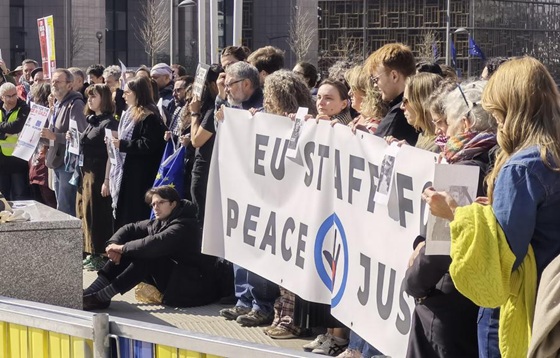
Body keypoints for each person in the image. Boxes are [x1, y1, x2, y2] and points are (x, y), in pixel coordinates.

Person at [424, 56, 560, 358]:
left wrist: (456, 214)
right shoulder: (552, 155)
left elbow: (500, 263)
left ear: (512, 108)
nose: (495, 119)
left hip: (520, 308)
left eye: (497, 112)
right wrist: (492, 211)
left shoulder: (522, 167)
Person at [404, 80, 497, 358]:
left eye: (448, 122)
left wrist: (413, 283)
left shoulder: (465, 169)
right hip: (474, 300)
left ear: (466, 124)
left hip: (446, 301)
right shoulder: (497, 159)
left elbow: (441, 246)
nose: (441, 130)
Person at [83, 186, 218, 310]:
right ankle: (92, 292)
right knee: (130, 251)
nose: (156, 207)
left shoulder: (184, 226)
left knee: (147, 255)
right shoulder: (161, 222)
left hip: (193, 287)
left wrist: (121, 248)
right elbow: (130, 228)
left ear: (173, 204)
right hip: (176, 280)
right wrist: (112, 245)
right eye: (153, 204)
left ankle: (101, 297)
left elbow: (154, 244)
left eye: (160, 203)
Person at [260, 70, 316, 339]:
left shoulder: (306, 122)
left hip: (298, 201)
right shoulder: (274, 122)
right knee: (280, 262)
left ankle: (292, 319)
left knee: (292, 263)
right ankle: (281, 313)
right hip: (279, 198)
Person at [108, 76, 166, 231]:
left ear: (137, 94)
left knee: (135, 215)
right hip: (128, 171)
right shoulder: (129, 113)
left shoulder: (149, 116)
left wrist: (123, 144)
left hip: (141, 175)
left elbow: (149, 144)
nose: (123, 96)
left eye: (127, 92)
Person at [75, 84, 118, 271]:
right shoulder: (92, 120)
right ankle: (89, 250)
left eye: (94, 96)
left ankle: (99, 252)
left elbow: (112, 154)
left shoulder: (109, 122)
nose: (90, 100)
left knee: (97, 213)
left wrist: (107, 180)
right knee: (84, 211)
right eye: (88, 97)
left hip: (99, 172)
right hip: (85, 171)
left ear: (104, 98)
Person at [40, 69, 87, 216]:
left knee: (66, 206)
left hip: (68, 164)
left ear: (69, 85)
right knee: (61, 203)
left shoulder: (76, 105)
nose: (54, 84)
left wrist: (55, 136)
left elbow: (81, 135)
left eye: (58, 81)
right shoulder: (58, 104)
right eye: (52, 81)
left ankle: (69, 237)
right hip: (57, 160)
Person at [364, 43, 419, 146]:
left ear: (394, 76)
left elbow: (372, 150)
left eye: (376, 79)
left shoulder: (399, 113)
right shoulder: (415, 106)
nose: (375, 85)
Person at [398, 72, 443, 151]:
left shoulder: (439, 146)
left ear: (421, 103)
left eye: (405, 101)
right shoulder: (424, 136)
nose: (401, 106)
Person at [0, 83, 31, 200]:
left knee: (20, 194)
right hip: (1, 160)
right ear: (2, 97)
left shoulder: (23, 107)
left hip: (18, 158)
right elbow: (11, 127)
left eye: (14, 95)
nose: (12, 99)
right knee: (3, 196)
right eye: (8, 96)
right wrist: (4, 134)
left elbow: (16, 126)